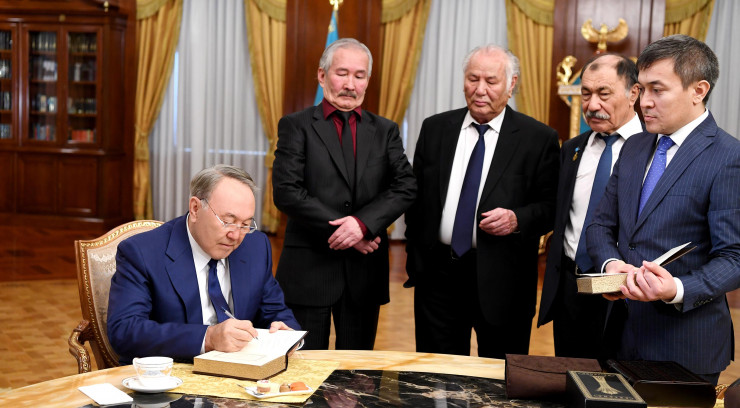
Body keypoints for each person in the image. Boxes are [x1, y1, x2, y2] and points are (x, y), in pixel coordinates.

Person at [587, 34, 740, 384]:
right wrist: (611, 266)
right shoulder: (634, 147)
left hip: (685, 345)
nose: (644, 102)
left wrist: (676, 289)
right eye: (641, 89)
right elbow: (600, 225)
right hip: (618, 335)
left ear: (698, 90)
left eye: (658, 90)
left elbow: (734, 257)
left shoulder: (729, 157)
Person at [405, 44, 559, 358]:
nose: (480, 89)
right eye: (473, 79)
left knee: (498, 375)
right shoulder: (435, 128)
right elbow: (416, 198)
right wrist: (416, 256)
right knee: (437, 373)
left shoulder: (538, 138)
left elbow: (551, 205)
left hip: (505, 280)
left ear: (511, 84)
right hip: (438, 277)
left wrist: (517, 219)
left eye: (491, 81)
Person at [272, 38, 416, 350]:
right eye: (342, 73)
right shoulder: (296, 126)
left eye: (359, 76)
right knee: (306, 367)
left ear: (367, 80)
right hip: (309, 271)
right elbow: (287, 192)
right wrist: (349, 231)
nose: (350, 84)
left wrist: (362, 225)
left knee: (358, 372)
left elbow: (406, 185)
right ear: (322, 75)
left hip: (365, 274)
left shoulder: (386, 130)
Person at [108, 165, 299, 364]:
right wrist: (208, 338)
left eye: (245, 224)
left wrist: (284, 331)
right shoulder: (142, 252)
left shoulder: (255, 247)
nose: (235, 235)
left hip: (245, 372)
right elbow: (125, 331)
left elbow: (275, 311)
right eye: (227, 221)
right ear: (195, 208)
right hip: (172, 373)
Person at [537, 53, 642, 359]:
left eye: (604, 94)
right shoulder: (572, 149)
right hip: (571, 287)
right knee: (569, 375)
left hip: (625, 293)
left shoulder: (653, 149)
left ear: (633, 93)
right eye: (586, 94)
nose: (592, 105)